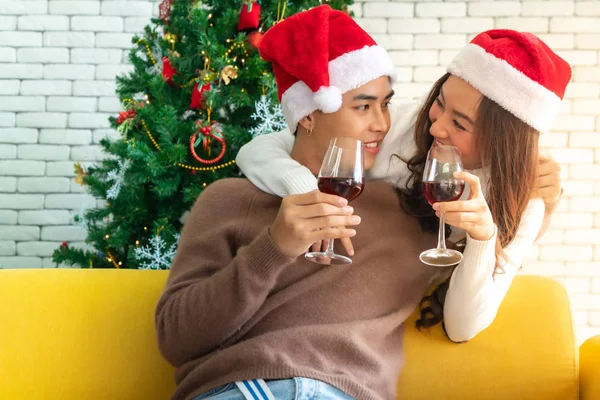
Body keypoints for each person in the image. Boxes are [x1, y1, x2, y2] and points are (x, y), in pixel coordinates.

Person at [156, 6, 443, 400]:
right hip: (245, 389)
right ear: (307, 115)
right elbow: (175, 340)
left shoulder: (404, 211)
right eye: (363, 106)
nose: (381, 124)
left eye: (385, 104)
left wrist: (540, 209)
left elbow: (475, 280)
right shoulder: (230, 200)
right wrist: (274, 249)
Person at [236, 28, 569, 339]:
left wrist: (484, 238)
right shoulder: (406, 126)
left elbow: (462, 328)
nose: (436, 128)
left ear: (502, 142)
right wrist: (306, 191)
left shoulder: (526, 200)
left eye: (461, 124)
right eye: (440, 102)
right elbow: (261, 149)